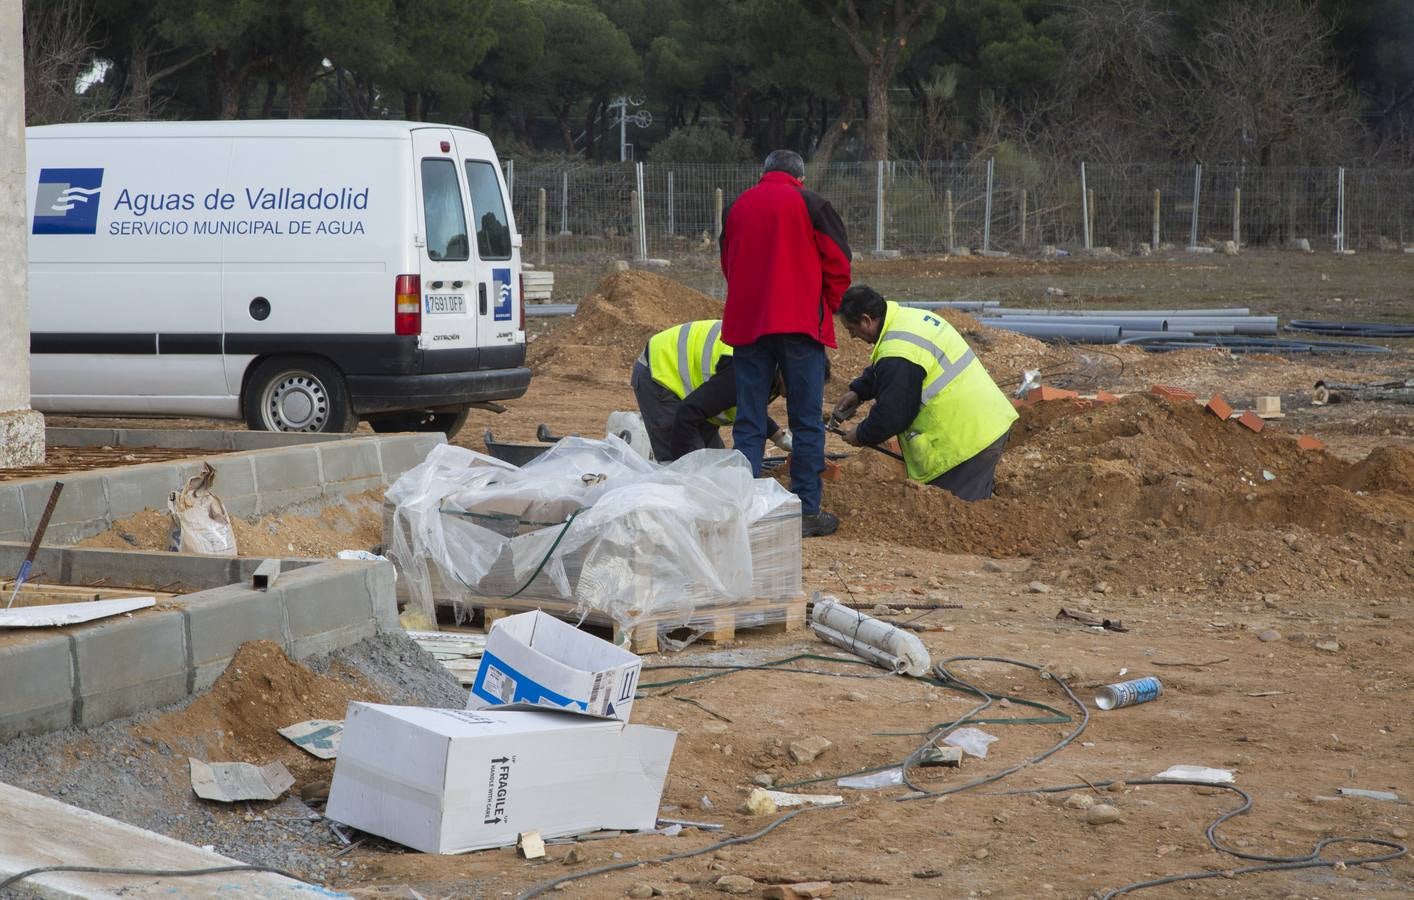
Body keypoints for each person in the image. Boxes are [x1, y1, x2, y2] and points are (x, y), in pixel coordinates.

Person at [720, 149, 851, 537]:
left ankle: (740, 509)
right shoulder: (812, 204)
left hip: (749, 325)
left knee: (749, 418)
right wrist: (826, 304)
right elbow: (839, 264)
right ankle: (806, 509)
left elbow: (729, 262)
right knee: (806, 420)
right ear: (801, 177)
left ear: (763, 173)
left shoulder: (737, 206)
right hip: (798, 326)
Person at [830, 285, 1018, 501]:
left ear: (866, 320)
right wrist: (858, 391)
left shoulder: (898, 352)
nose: (852, 337)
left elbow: (893, 414)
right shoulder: (907, 320)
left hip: (966, 442)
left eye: (851, 329)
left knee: (955, 518)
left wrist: (861, 434)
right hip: (984, 421)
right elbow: (895, 368)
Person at [631, 319, 793, 463]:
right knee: (698, 470)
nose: (798, 393)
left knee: (718, 468)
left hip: (695, 393)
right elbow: (688, 412)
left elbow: (746, 404)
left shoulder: (773, 367)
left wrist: (779, 437)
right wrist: (681, 468)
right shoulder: (745, 370)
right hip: (662, 374)